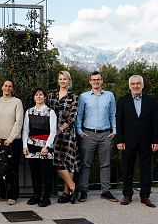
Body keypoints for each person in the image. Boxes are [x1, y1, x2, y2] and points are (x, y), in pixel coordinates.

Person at [76, 71, 118, 203]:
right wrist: (79, 130)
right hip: (88, 134)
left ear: (102, 81)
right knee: (85, 164)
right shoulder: (83, 97)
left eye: (98, 79)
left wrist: (114, 130)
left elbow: (113, 114)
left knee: (105, 164)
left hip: (106, 134)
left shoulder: (109, 96)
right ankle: (83, 191)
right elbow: (79, 115)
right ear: (90, 81)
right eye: (93, 80)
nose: (96, 82)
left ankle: (105, 191)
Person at [116, 75, 158, 208]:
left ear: (142, 85)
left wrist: (155, 140)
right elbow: (119, 122)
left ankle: (145, 196)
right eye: (133, 84)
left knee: (146, 169)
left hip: (147, 141)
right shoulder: (123, 101)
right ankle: (127, 194)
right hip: (128, 141)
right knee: (127, 168)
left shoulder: (151, 101)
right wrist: (120, 140)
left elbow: (155, 122)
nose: (135, 86)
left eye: (138, 83)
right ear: (129, 86)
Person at [47, 71, 79, 204]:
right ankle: (73, 187)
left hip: (67, 133)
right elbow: (47, 112)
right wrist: (53, 131)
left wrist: (61, 128)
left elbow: (72, 116)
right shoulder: (51, 95)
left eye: (65, 79)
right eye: (60, 79)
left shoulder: (74, 97)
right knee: (56, 162)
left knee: (68, 163)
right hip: (53, 134)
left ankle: (66, 193)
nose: (62, 81)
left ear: (69, 80)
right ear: (58, 80)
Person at [0, 79, 23, 205]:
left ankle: (12, 196)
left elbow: (18, 122)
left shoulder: (17, 102)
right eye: (5, 85)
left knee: (12, 169)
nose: (7, 88)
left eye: (10, 86)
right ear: (2, 87)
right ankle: (2, 194)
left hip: (13, 141)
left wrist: (10, 138)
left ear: (12, 88)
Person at [23, 87, 57, 207]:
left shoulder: (50, 112)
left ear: (44, 97)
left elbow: (53, 131)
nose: (39, 96)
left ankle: (46, 197)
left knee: (46, 173)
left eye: (41, 94)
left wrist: (47, 146)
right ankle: (36, 196)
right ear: (34, 97)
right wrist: (24, 145)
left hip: (45, 147)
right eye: (36, 94)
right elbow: (25, 130)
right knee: (34, 173)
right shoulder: (29, 112)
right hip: (32, 146)